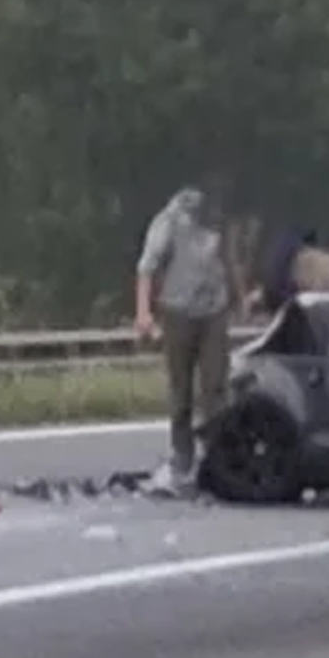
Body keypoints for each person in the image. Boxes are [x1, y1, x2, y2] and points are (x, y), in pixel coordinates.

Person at [134, 185, 236, 492]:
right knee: (181, 389)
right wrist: (144, 314)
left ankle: (218, 457)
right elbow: (147, 268)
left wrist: (240, 297)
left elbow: (228, 262)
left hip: (213, 310)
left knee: (216, 386)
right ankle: (182, 456)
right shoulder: (171, 221)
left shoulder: (220, 223)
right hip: (178, 311)